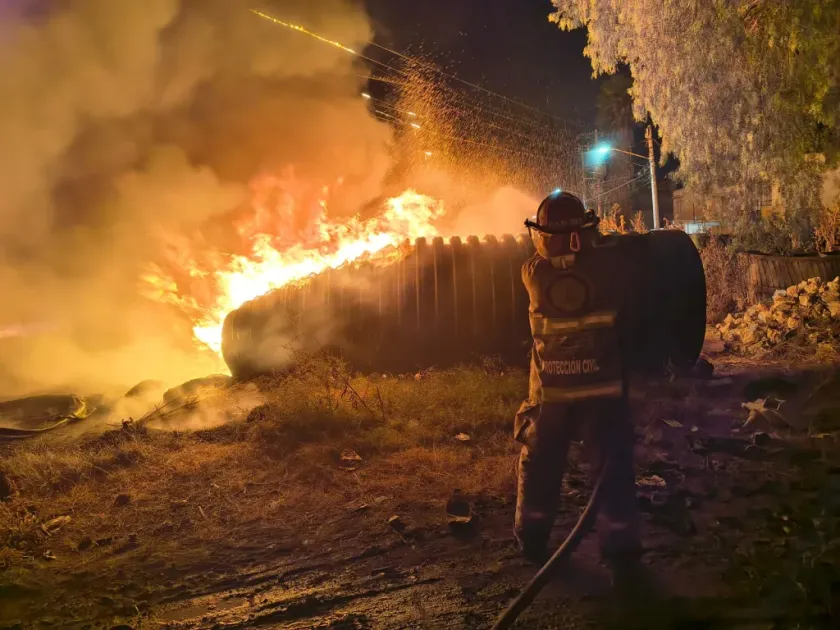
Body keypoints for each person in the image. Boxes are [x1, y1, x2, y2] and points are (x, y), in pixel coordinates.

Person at [513, 190, 644, 589]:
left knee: (540, 464)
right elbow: (614, 256)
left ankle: (532, 539)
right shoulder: (610, 269)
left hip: (551, 395)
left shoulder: (533, 274)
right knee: (612, 470)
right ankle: (622, 554)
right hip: (602, 391)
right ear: (584, 233)